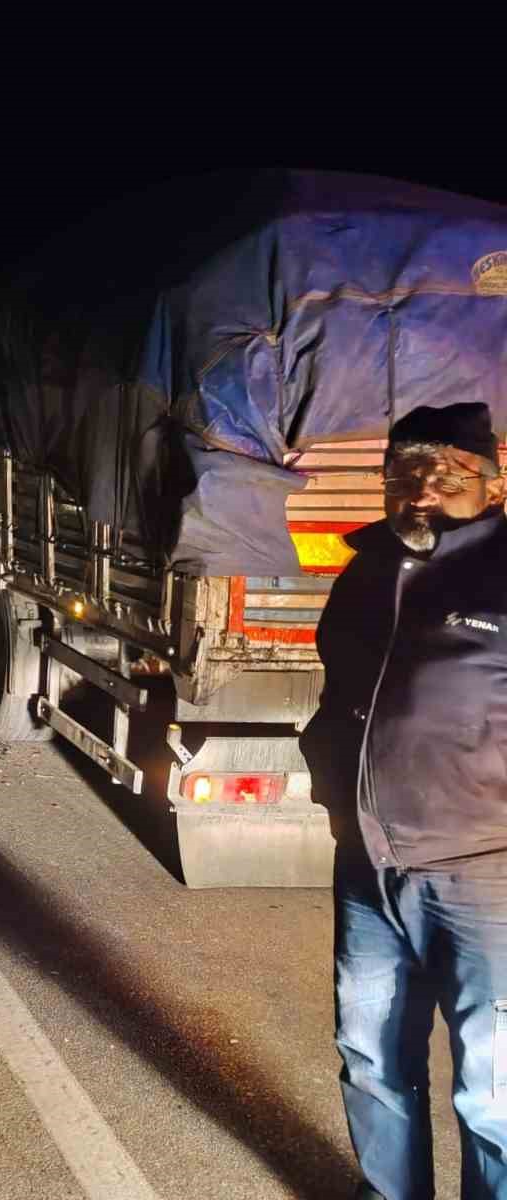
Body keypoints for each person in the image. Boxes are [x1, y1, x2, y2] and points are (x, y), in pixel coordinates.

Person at [300, 402, 507, 1200]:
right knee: (372, 1057)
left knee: (492, 1091)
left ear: (490, 484)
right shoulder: (369, 567)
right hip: (368, 863)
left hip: (484, 873)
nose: (421, 490)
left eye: (446, 472)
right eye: (404, 473)